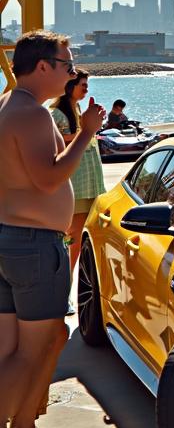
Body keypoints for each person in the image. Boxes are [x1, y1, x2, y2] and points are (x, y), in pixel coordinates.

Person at [0, 30, 105, 428]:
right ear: (42, 66)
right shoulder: (31, 113)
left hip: (10, 239)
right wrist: (85, 135)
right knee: (33, 350)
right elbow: (47, 180)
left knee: (12, 349)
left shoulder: (9, 106)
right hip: (34, 245)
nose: (71, 70)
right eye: (66, 63)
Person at [49, 70, 106, 276]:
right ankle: (64, 281)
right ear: (69, 86)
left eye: (87, 85)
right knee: (73, 237)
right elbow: (55, 144)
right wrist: (87, 130)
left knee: (78, 237)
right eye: (82, 85)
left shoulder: (77, 109)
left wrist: (90, 125)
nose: (86, 88)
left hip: (88, 184)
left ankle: (67, 280)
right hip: (76, 186)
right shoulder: (56, 113)